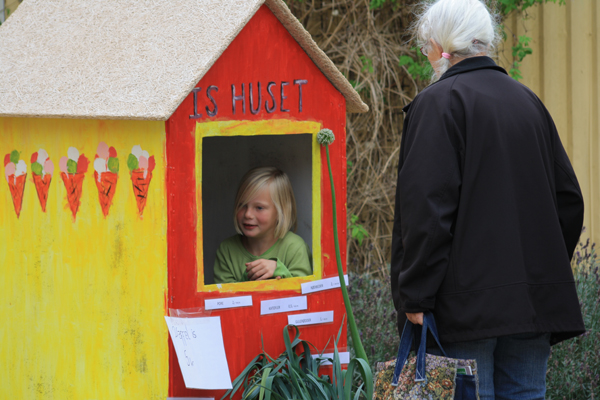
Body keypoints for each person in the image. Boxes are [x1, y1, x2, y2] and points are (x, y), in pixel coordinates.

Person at [390, 0, 585, 398]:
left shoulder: (438, 103)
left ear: (436, 44)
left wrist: (416, 294)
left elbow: (427, 211)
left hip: (464, 309)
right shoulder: (527, 102)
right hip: (533, 302)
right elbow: (568, 200)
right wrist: (535, 271)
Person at [214, 167, 312, 283]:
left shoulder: (295, 248)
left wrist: (278, 270)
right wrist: (252, 275)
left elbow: (305, 295)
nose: (248, 214)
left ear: (280, 211)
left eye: (259, 208)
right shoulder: (227, 250)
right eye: (243, 205)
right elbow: (225, 298)